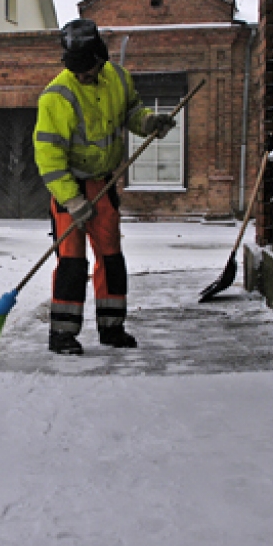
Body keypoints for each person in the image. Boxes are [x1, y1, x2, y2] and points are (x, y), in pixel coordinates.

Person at [33, 19, 176, 355]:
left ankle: (112, 328)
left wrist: (149, 123)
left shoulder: (119, 79)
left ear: (100, 59)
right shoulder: (56, 97)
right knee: (72, 261)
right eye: (77, 70)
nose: (82, 76)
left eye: (88, 69)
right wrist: (71, 200)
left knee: (111, 257)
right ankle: (62, 335)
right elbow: (48, 158)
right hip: (68, 186)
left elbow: (132, 112)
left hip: (104, 184)